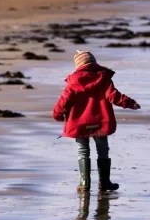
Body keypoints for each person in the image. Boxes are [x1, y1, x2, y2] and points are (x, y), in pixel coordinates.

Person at [53, 51, 141, 192]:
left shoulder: (73, 82)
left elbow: (64, 102)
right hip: (100, 122)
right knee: (103, 151)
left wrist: (57, 114)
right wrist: (130, 103)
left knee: (82, 151)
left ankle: (84, 183)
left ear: (78, 65)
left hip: (79, 124)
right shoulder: (103, 79)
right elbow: (114, 96)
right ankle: (104, 183)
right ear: (94, 62)